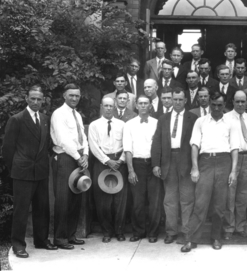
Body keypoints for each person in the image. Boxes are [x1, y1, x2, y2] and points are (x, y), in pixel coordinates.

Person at [3, 85, 57, 258]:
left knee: (42, 207)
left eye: (39, 99)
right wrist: (17, 169)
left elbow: (46, 144)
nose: (35, 102)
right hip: (22, 172)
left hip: (41, 171)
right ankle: (18, 244)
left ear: (43, 101)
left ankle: (41, 241)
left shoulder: (45, 119)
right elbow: (8, 149)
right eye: (32, 98)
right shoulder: (17, 119)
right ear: (26, 99)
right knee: (21, 209)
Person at [181, 91, 239, 252]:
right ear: (209, 104)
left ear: (224, 105)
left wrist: (233, 171)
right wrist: (195, 167)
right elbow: (194, 145)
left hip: (223, 162)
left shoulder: (231, 122)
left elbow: (234, 148)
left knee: (219, 205)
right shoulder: (201, 121)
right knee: (200, 203)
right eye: (213, 105)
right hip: (205, 162)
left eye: (220, 105)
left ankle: (216, 238)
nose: (216, 108)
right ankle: (191, 240)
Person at [151, 87, 198, 244]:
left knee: (187, 198)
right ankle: (171, 231)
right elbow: (157, 142)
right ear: (171, 100)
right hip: (168, 160)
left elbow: (197, 143)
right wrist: (156, 164)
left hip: (186, 161)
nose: (177, 102)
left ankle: (186, 231)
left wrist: (194, 166)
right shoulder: (163, 119)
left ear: (185, 101)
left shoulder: (193, 118)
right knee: (169, 198)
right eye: (174, 99)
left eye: (180, 99)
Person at [50, 83, 89, 249]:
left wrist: (85, 154)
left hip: (78, 157)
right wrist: (79, 157)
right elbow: (63, 140)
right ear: (64, 96)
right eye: (71, 95)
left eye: (77, 96)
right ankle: (59, 238)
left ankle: (71, 235)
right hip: (65, 158)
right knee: (63, 199)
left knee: (75, 197)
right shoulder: (58, 114)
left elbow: (83, 137)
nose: (74, 98)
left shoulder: (77, 115)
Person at [123, 95, 163, 243]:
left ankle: (153, 233)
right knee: (137, 201)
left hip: (153, 165)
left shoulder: (157, 123)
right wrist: (131, 170)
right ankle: (138, 232)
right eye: (141, 103)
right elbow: (127, 149)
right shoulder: (129, 124)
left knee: (154, 201)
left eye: (146, 103)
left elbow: (159, 146)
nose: (143, 106)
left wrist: (157, 164)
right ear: (136, 106)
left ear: (150, 106)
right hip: (137, 164)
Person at [88, 97, 128, 243]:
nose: (109, 108)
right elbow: (93, 146)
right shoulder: (94, 125)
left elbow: (127, 144)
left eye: (111, 106)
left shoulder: (122, 124)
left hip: (119, 163)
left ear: (115, 107)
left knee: (120, 200)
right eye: (106, 106)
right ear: (101, 107)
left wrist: (121, 160)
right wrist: (107, 160)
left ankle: (119, 231)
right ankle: (107, 231)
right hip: (102, 163)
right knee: (103, 200)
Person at [223, 91, 247, 240]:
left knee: (243, 194)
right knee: (230, 194)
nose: (241, 104)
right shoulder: (226, 118)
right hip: (231, 158)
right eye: (238, 101)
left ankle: (240, 227)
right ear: (233, 102)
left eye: (243, 101)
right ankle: (229, 227)